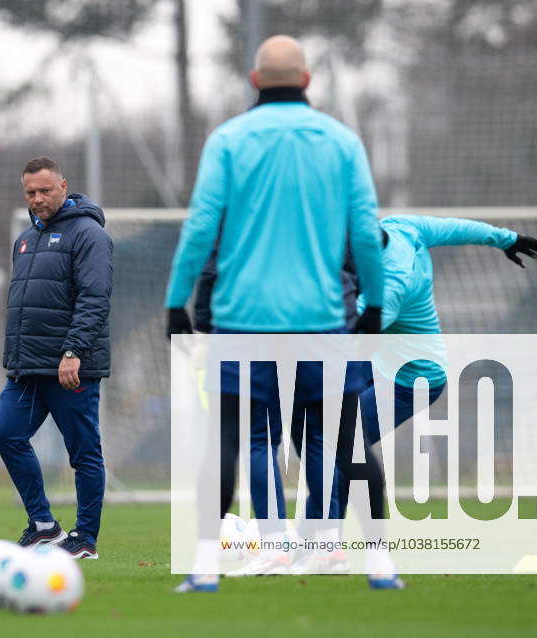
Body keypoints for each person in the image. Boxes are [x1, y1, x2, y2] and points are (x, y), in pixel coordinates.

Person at [165, 35, 386, 592]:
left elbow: (200, 228)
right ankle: (378, 564)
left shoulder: (229, 140)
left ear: (254, 79)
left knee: (229, 440)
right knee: (344, 440)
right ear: (307, 81)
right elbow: (365, 233)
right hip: (322, 321)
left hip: (242, 322)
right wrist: (375, 304)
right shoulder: (342, 142)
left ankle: (206, 566)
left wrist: (176, 300)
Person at [334, 214, 537, 589]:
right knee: (331, 439)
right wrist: (506, 239)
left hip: (411, 379)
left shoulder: (393, 283)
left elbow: (354, 328)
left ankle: (326, 545)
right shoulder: (402, 227)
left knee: (343, 443)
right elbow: (457, 227)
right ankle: (320, 540)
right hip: (382, 358)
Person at [0, 157, 113, 559]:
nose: (38, 199)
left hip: (70, 367)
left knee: (83, 453)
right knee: (6, 435)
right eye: (30, 192)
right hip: (28, 367)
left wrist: (73, 351)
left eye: (45, 190)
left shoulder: (88, 234)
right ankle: (43, 524)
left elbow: (95, 299)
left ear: (63, 185)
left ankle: (86, 539)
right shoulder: (24, 239)